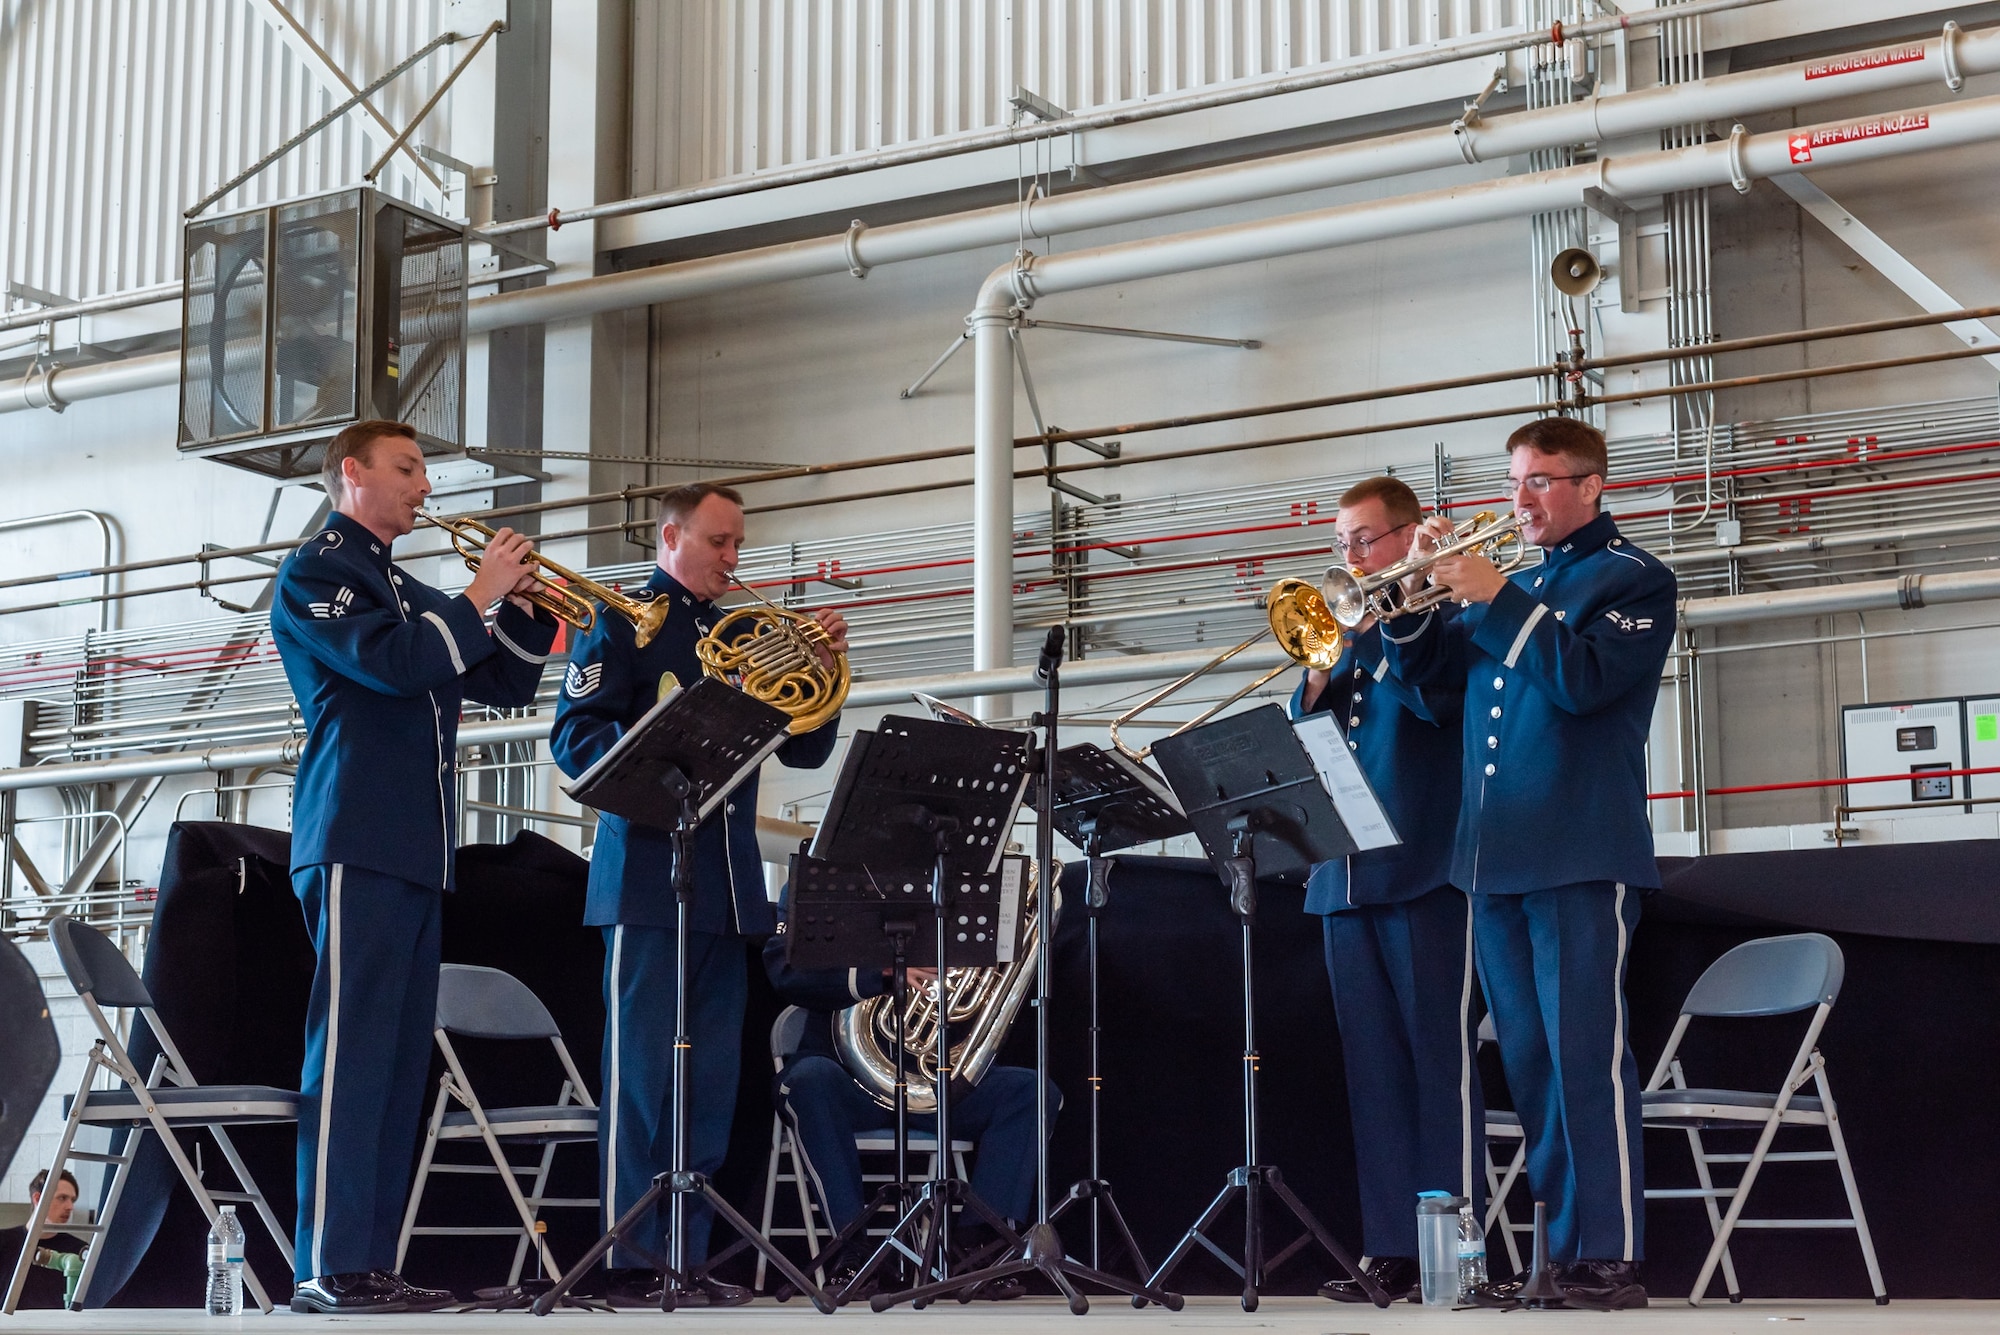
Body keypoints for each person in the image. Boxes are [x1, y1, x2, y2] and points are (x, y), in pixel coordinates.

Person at [1381, 416, 1675, 1311]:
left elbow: (1582, 680)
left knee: (1586, 1056)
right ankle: (1557, 1252)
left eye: (1541, 480)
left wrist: (1497, 595)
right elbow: (1432, 697)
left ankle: (1610, 1255)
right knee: (1535, 1063)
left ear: (1590, 485)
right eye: (1515, 481)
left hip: (1581, 850)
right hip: (1494, 859)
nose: (1521, 499)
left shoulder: (1633, 578)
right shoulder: (1514, 584)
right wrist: (1411, 600)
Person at [270, 419, 558, 1313]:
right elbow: (395, 667)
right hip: (354, 834)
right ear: (351, 474)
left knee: (397, 1064)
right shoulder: (319, 571)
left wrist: (527, 604)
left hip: (414, 845)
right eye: (407, 468)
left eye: (424, 470)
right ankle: (324, 1265)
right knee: (353, 1054)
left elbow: (500, 683)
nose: (423, 485)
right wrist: (479, 594)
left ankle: (367, 1260)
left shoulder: (404, 584)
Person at [549, 482, 846, 1306]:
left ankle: (690, 1250)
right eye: (719, 541)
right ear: (671, 535)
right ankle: (632, 1258)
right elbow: (574, 741)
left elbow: (806, 748)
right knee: (644, 1078)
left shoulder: (740, 634)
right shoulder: (620, 618)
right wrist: (664, 741)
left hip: (727, 888)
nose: (732, 559)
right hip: (645, 881)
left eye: (738, 544)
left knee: (710, 1082)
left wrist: (823, 671)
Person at [1290, 477, 1481, 1304]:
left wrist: (1392, 620)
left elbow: (1437, 706)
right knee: (1372, 1075)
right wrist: (1316, 680)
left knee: (1438, 1067)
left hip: (1424, 868)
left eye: (1364, 540)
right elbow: (1305, 748)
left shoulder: (1448, 620)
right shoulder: (1339, 636)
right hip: (1344, 875)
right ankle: (1389, 1245)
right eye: (1343, 543)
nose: (1350, 557)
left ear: (1408, 538)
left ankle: (1451, 1248)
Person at [761, 896, 1054, 1300]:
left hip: (932, 1080)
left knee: (1032, 1092)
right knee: (808, 1081)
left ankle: (976, 1250)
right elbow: (786, 972)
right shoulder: (820, 884)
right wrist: (882, 973)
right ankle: (855, 1252)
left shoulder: (950, 887)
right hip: (843, 1078)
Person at [3, 1171, 87, 1309]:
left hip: (59, 1329)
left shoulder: (79, 1251)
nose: (70, 1207)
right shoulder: (4, 1242)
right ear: (37, 1199)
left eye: (72, 1200)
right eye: (62, 1198)